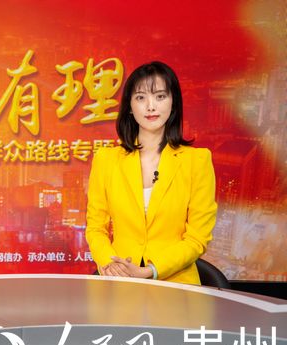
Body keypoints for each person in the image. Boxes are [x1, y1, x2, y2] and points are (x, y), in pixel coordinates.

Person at [85, 61, 217, 284]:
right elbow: (96, 228)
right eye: (140, 97)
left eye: (160, 96)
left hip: (176, 286)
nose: (150, 106)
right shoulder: (105, 160)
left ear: (173, 103)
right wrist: (112, 265)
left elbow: (197, 238)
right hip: (119, 281)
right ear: (129, 106)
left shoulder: (197, 161)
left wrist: (150, 271)